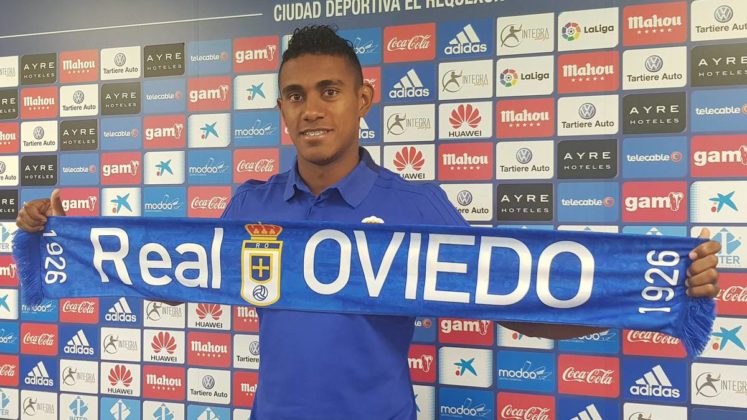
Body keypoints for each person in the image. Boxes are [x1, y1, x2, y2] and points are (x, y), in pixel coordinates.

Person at [17, 25, 721, 420]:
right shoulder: (251, 205)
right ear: (281, 109)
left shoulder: (417, 208)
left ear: (364, 98)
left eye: (329, 91)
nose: (311, 109)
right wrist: (73, 242)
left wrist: (649, 293)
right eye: (295, 95)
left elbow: (521, 305)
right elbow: (170, 279)